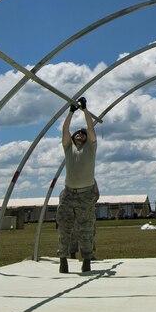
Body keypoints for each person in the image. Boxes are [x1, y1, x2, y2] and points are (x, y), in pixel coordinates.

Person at [57, 97, 98, 273]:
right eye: (77, 134)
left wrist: (85, 110)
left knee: (86, 228)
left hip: (85, 194)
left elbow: (90, 128)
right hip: (68, 194)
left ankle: (87, 259)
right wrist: (71, 111)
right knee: (65, 228)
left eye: (82, 134)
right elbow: (65, 129)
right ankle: (63, 259)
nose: (80, 134)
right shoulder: (68, 148)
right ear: (73, 138)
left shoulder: (90, 148)